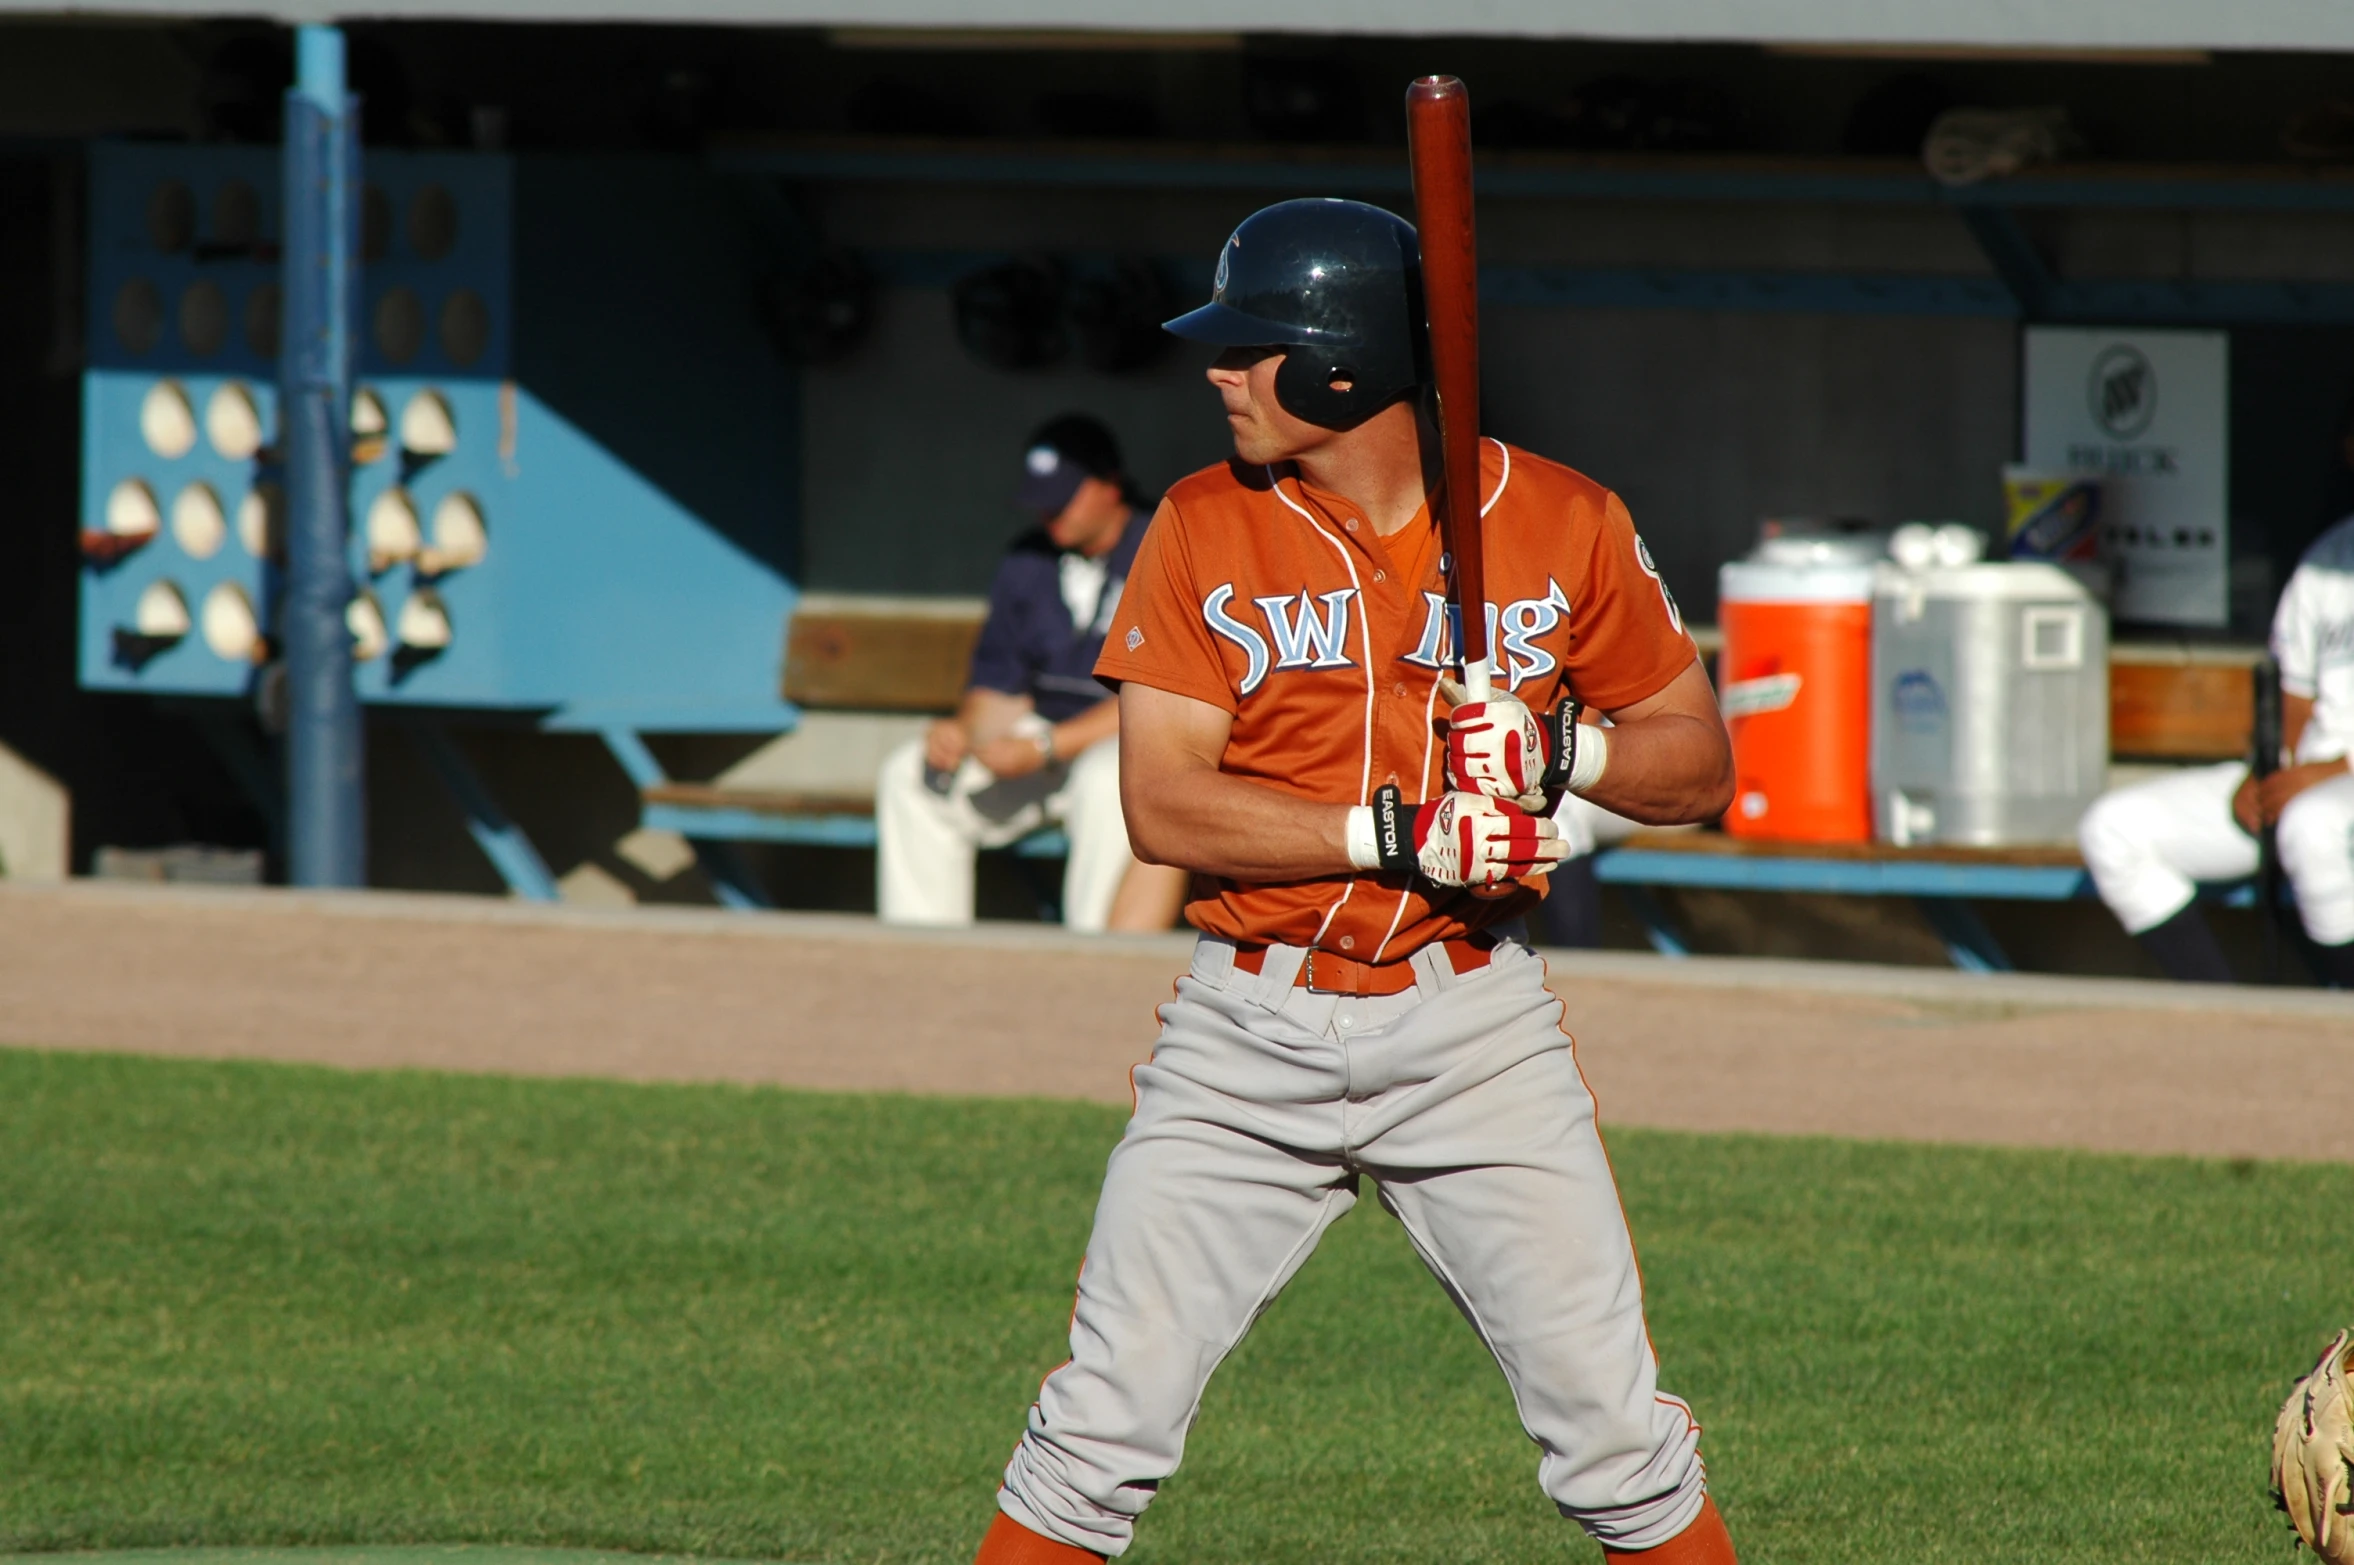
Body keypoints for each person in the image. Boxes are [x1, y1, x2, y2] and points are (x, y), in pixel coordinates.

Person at [970, 199, 1741, 1563]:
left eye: (1247, 348)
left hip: (1473, 1033)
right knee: (1095, 1432)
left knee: (1617, 1440)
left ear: (1342, 363)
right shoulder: (1200, 523)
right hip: (1242, 1034)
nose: (1214, 371)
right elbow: (1161, 804)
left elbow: (1697, 768)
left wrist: (1568, 746)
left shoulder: (1561, 520)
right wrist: (1391, 835)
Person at [875, 416, 1188, 933]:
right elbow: (1001, 687)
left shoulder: (1170, 543)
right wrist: (964, 731)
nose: (1049, 511)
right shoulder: (1029, 558)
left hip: (1129, 742)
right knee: (910, 774)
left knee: (1107, 778)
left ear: (1110, 485)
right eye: (1042, 497)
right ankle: (922, 953)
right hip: (1041, 744)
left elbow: (1165, 695)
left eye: (1064, 497)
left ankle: (1092, 959)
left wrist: (1048, 747)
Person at [2078, 456, 2354, 984]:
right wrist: (2267, 771)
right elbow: (2292, 697)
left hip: (2332, 790)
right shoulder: (2330, 558)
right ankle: (2222, 1009)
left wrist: (2328, 773)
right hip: (2306, 778)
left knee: (2310, 825)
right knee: (2114, 829)